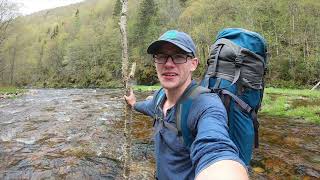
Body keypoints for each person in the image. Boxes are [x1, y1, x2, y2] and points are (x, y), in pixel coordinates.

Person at [124, 30, 248, 180]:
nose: (169, 64)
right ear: (155, 62)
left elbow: (215, 149)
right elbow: (147, 107)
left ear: (193, 64)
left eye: (179, 56)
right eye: (162, 56)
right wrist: (134, 103)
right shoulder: (159, 97)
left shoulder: (205, 104)